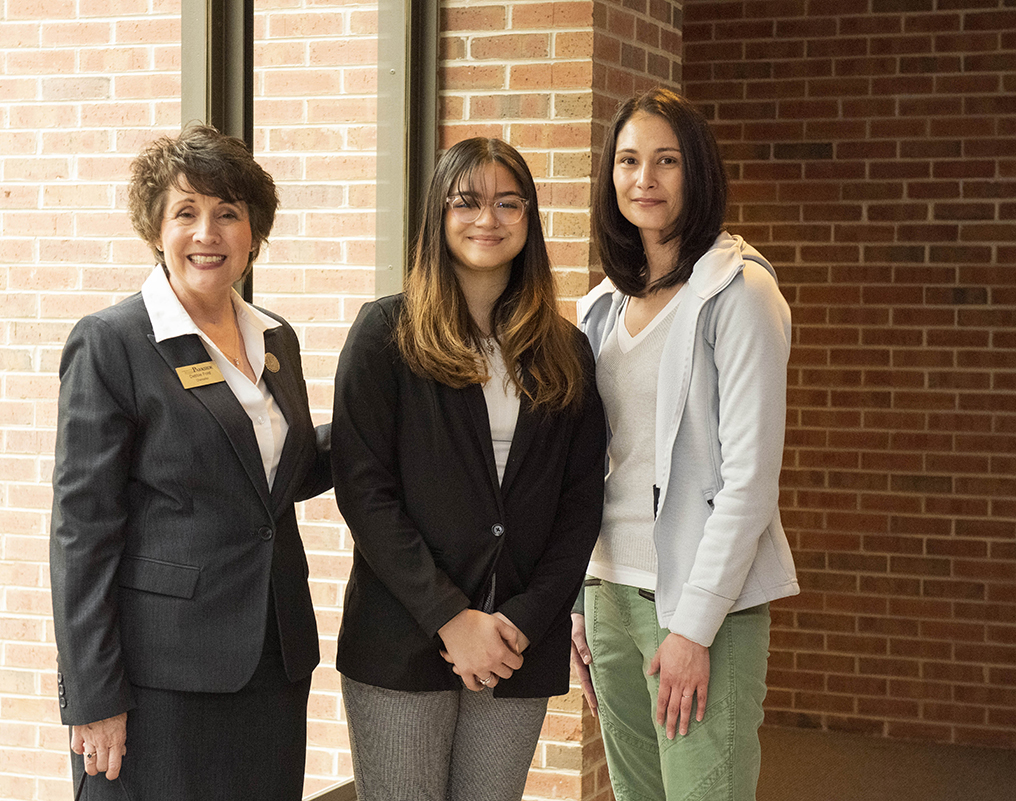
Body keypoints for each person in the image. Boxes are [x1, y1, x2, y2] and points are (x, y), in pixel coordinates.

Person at [50, 124, 330, 800]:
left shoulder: (274, 338)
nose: (207, 232)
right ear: (156, 228)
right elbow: (81, 531)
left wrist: (382, 414)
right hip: (160, 678)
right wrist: (92, 693)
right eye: (186, 212)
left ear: (253, 233)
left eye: (228, 212)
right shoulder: (112, 342)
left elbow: (274, 479)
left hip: (273, 658)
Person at [331, 137, 606, 801]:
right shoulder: (384, 334)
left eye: (509, 203)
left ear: (529, 219)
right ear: (439, 215)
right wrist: (452, 616)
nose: (489, 218)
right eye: (468, 201)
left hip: (518, 640)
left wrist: (526, 618)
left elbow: (579, 502)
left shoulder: (565, 350)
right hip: (402, 635)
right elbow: (364, 491)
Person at [572, 87, 800, 800]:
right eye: (629, 160)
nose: (645, 179)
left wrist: (694, 628)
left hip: (704, 607)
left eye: (666, 161)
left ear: (697, 171)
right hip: (610, 593)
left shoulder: (743, 294)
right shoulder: (601, 306)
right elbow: (586, 467)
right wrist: (578, 600)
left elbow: (750, 482)